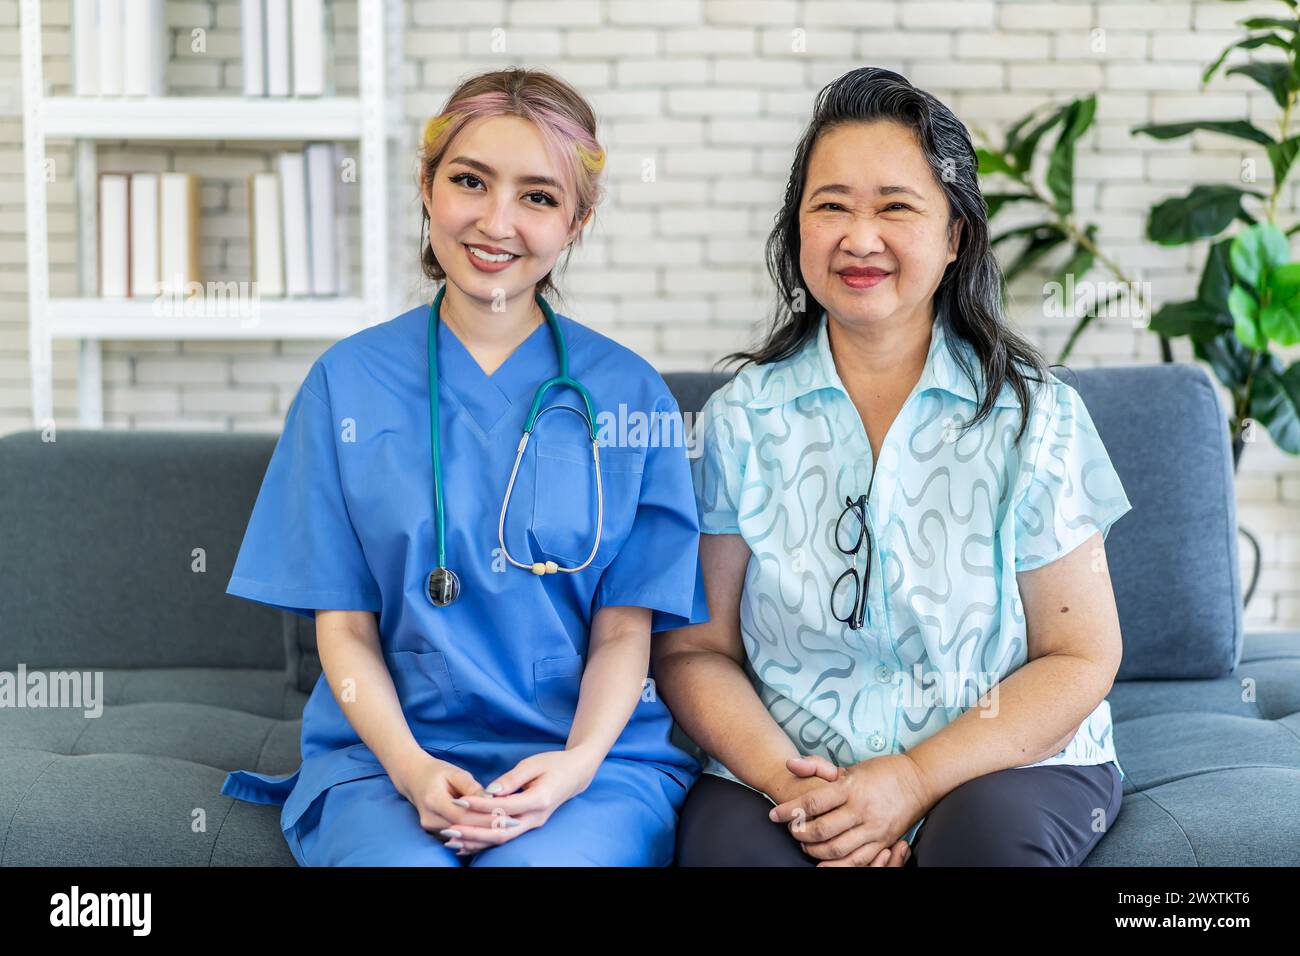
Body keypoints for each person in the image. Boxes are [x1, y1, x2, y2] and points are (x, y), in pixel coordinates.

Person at [220, 67, 708, 866]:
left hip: (589, 761)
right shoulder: (346, 384)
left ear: (578, 221)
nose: (496, 221)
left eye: (539, 197)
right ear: (426, 185)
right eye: (470, 181)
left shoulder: (630, 396)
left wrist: (575, 767)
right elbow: (342, 629)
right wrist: (413, 772)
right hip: (384, 757)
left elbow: (626, 632)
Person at [656, 67, 1132, 867]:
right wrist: (801, 790)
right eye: (831, 205)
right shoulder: (740, 420)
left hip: (1002, 765)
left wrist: (912, 779)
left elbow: (1080, 654)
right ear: (797, 230)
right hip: (787, 769)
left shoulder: (1035, 416)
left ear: (955, 236)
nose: (860, 237)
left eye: (896, 207)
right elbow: (695, 650)